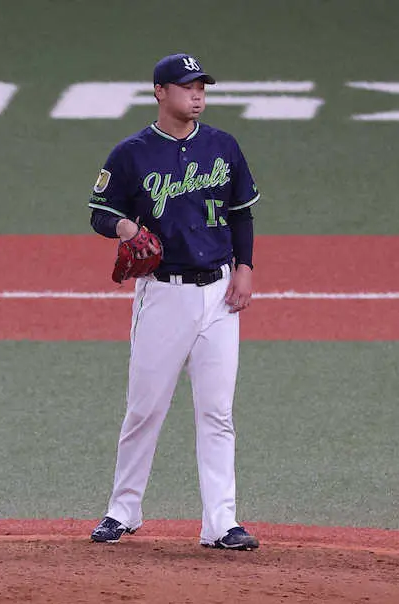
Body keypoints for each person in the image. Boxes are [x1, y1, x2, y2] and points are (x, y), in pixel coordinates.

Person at [88, 52, 261, 550]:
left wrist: (245, 269)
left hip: (220, 296)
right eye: (187, 87)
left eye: (201, 87)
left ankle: (221, 523)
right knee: (145, 409)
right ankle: (122, 510)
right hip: (163, 294)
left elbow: (241, 214)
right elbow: (99, 211)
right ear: (160, 92)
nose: (197, 95)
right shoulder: (132, 153)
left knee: (218, 413)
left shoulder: (223, 146)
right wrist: (126, 227)